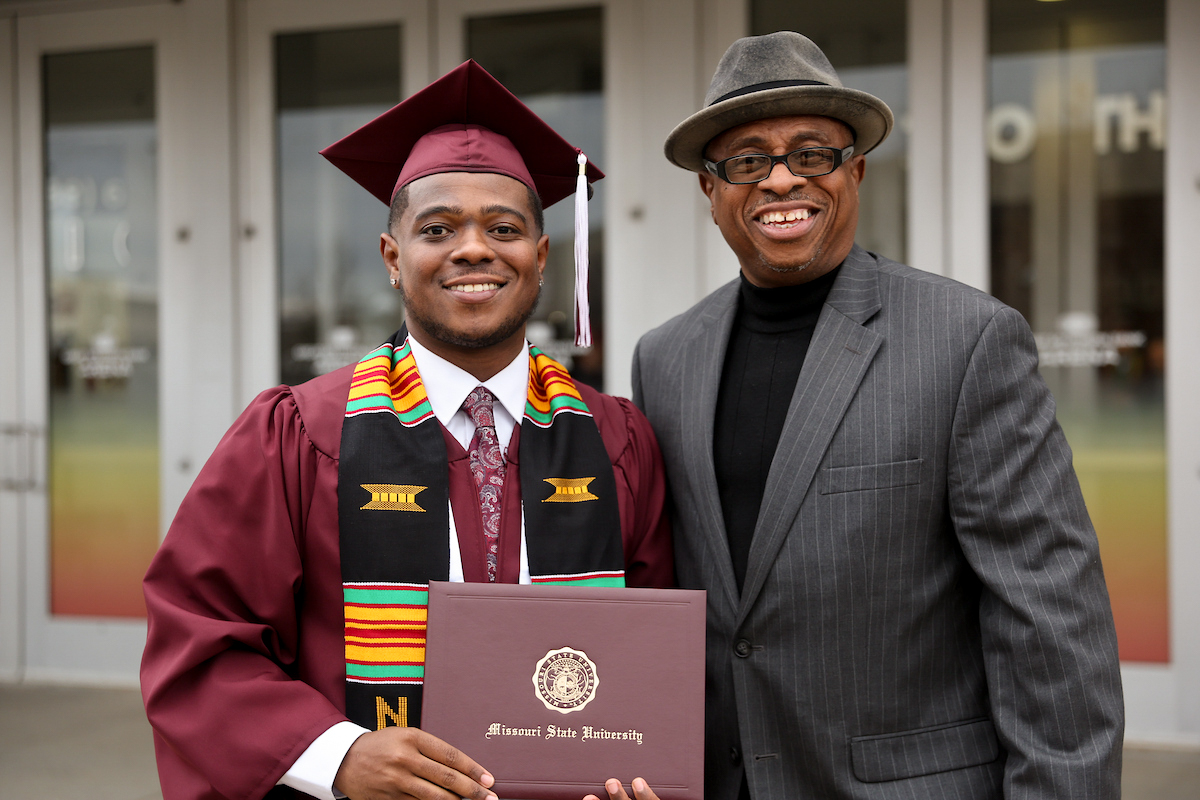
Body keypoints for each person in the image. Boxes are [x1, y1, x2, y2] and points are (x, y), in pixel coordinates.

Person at [141, 60, 673, 800]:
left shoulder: (615, 439)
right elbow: (201, 648)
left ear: (541, 258)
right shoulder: (297, 435)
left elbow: (654, 661)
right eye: (437, 228)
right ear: (394, 258)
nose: (474, 249)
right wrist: (339, 757)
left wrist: (641, 770)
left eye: (504, 227)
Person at [613, 31, 1123, 800]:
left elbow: (1049, 619)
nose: (781, 179)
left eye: (811, 153)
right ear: (710, 191)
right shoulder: (664, 358)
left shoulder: (966, 339)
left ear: (855, 170)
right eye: (748, 160)